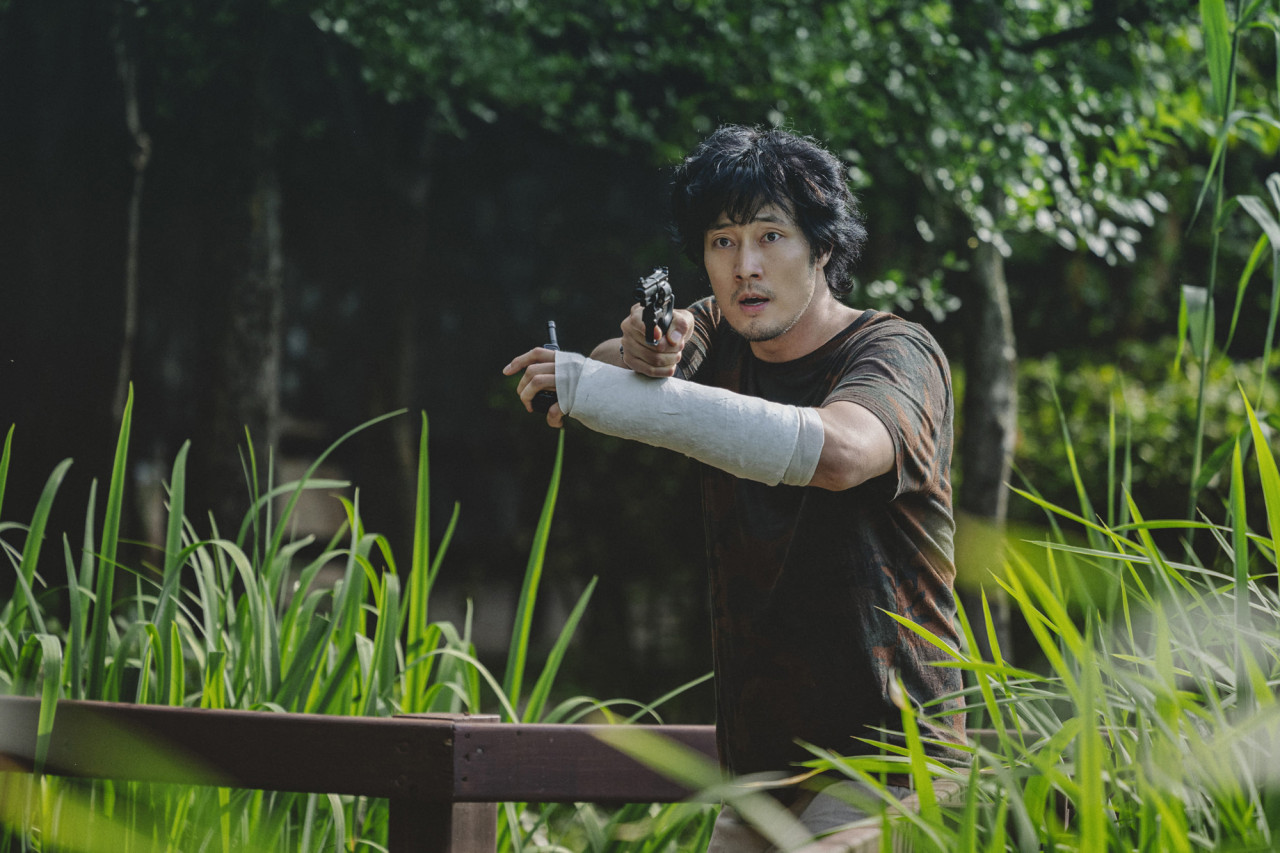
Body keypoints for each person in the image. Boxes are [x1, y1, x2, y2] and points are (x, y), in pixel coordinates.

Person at [503, 125, 964, 851]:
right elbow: (627, 366)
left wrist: (595, 387)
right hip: (759, 772)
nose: (746, 266)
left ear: (822, 248)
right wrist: (635, 352)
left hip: (893, 762)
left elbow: (844, 452)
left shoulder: (896, 351)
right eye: (723, 241)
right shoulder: (715, 332)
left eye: (771, 236)